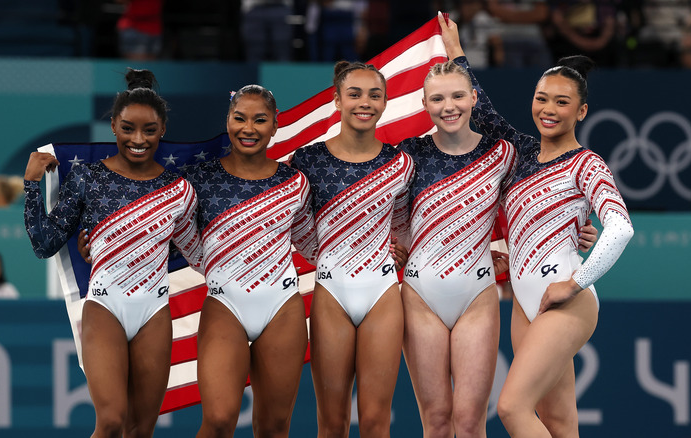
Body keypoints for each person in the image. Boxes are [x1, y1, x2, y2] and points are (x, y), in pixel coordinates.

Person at [397, 13, 597, 437]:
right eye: (542, 98)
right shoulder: (410, 154)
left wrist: (576, 227)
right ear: (423, 104)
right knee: (441, 422)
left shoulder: (506, 154)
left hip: (483, 291)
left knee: (477, 421)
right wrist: (392, 244)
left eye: (560, 102)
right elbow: (377, 210)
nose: (449, 106)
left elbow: (550, 199)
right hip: (421, 291)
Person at [444, 15, 633, 436]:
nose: (549, 109)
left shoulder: (587, 163)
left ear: (581, 111)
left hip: (565, 299)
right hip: (525, 302)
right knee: (560, 421)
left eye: (562, 102)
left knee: (512, 408)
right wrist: (457, 53)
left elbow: (620, 228)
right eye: (541, 98)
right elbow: (485, 112)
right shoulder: (522, 156)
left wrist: (576, 282)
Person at [23, 68, 202, 438]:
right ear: (113, 128)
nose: (138, 139)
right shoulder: (88, 177)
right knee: (110, 422)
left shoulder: (180, 189)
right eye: (128, 128)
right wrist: (30, 186)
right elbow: (45, 244)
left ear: (163, 129)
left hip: (154, 311)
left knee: (141, 430)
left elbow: (195, 253)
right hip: (105, 307)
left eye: (149, 130)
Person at [184, 85, 318, 438]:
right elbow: (161, 230)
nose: (249, 128)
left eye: (260, 120)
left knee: (274, 427)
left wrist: (376, 251)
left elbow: (312, 244)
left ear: (275, 126)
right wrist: (98, 242)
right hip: (225, 303)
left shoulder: (294, 181)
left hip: (281, 307)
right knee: (218, 421)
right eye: (239, 118)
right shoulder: (199, 180)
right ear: (227, 121)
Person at [289, 60, 413, 437]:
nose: (365, 102)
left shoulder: (400, 162)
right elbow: (295, 227)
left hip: (382, 294)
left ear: (386, 102)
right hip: (332, 293)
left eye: (375, 95)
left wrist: (401, 250)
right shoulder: (307, 161)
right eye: (355, 94)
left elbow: (408, 225)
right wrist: (326, 257)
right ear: (337, 100)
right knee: (332, 423)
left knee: (376, 422)